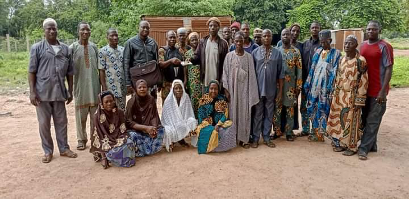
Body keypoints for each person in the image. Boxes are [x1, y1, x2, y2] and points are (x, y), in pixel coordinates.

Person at [28, 18, 77, 163]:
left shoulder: (65, 49)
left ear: (57, 29)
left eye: (54, 28)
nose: (51, 31)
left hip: (60, 92)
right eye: (48, 28)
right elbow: (31, 71)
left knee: (62, 122)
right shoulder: (37, 48)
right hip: (42, 93)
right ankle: (48, 151)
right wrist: (32, 92)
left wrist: (70, 90)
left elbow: (70, 72)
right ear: (44, 31)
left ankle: (64, 148)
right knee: (44, 123)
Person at [327, 35, 368, 156]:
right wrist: (334, 92)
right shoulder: (342, 59)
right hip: (340, 95)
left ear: (356, 45)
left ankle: (352, 146)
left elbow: (364, 81)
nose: (346, 46)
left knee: (352, 121)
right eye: (345, 43)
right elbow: (338, 76)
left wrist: (359, 100)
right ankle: (341, 143)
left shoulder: (361, 61)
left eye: (350, 43)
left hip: (353, 96)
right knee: (340, 121)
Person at [358, 21, 393, 160]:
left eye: (374, 29)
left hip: (378, 90)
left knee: (373, 120)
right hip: (364, 89)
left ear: (379, 30)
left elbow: (389, 68)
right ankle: (372, 145)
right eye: (369, 29)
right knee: (364, 119)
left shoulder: (385, 47)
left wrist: (383, 91)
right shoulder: (362, 45)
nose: (371, 31)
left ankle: (363, 149)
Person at [222, 31, 259, 149]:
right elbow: (225, 73)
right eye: (236, 41)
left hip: (244, 91)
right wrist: (226, 90)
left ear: (244, 41)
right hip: (232, 91)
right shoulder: (229, 56)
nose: (238, 43)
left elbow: (252, 75)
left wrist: (251, 93)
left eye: (241, 41)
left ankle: (244, 139)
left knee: (244, 114)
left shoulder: (248, 57)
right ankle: (233, 138)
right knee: (232, 113)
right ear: (233, 41)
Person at [304, 30, 341, 142]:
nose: (322, 44)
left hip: (326, 89)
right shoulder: (318, 51)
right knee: (312, 108)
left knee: (324, 110)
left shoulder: (336, 54)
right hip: (314, 87)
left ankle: (323, 132)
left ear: (330, 40)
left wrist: (331, 88)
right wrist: (308, 84)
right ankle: (316, 133)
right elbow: (312, 68)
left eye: (325, 42)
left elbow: (336, 72)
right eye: (321, 42)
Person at [70, 21, 101, 150]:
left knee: (95, 116)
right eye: (83, 30)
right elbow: (68, 70)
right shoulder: (72, 48)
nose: (85, 32)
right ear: (78, 31)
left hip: (94, 87)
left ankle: (95, 138)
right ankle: (81, 139)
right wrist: (70, 88)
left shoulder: (94, 47)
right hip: (80, 87)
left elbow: (100, 68)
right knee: (80, 116)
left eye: (88, 30)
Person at [251, 29, 284, 148]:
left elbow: (281, 74)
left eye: (268, 36)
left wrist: (280, 92)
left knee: (269, 113)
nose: (266, 38)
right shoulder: (255, 53)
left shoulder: (277, 53)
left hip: (271, 90)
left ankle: (266, 137)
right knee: (258, 114)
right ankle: (255, 138)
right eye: (264, 36)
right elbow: (252, 73)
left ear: (271, 38)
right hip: (258, 89)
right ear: (261, 38)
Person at [90, 91, 136, 169]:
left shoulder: (119, 113)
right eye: (106, 102)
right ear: (101, 103)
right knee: (114, 152)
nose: (109, 103)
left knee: (131, 141)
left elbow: (122, 130)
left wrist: (120, 140)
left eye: (111, 101)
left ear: (114, 101)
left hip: (118, 137)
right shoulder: (97, 117)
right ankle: (106, 157)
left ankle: (120, 157)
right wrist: (103, 157)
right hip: (105, 143)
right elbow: (98, 137)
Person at [274, 28, 302, 142]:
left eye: (287, 34)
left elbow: (299, 71)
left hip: (291, 86)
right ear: (281, 37)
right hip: (277, 86)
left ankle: (289, 132)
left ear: (291, 37)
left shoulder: (296, 52)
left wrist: (298, 87)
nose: (285, 36)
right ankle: (277, 131)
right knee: (277, 109)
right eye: (283, 34)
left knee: (290, 110)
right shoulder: (276, 51)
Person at [125, 79, 164, 156]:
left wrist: (153, 128)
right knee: (132, 135)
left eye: (144, 87)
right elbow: (129, 122)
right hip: (136, 130)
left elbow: (154, 115)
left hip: (149, 129)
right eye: (140, 87)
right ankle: (141, 150)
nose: (142, 89)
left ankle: (147, 150)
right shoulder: (131, 102)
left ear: (147, 88)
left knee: (161, 131)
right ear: (136, 89)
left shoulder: (151, 99)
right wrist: (145, 128)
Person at [196, 80, 236, 154]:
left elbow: (225, 114)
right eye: (211, 88)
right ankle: (211, 148)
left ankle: (221, 148)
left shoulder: (222, 99)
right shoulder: (203, 99)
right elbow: (200, 114)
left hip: (219, 125)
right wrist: (206, 125)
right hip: (206, 124)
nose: (213, 91)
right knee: (203, 129)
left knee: (231, 126)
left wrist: (218, 124)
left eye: (216, 89)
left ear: (218, 90)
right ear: (208, 89)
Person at [190, 17, 229, 89]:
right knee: (206, 99)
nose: (213, 28)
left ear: (218, 28)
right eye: (211, 26)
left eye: (215, 26)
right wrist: (190, 59)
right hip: (205, 77)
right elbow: (197, 56)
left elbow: (226, 63)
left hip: (217, 78)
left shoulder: (223, 44)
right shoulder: (203, 42)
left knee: (217, 99)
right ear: (208, 27)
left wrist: (223, 79)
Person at [123, 20, 159, 98]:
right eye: (143, 27)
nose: (145, 29)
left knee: (151, 103)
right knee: (138, 103)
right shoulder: (130, 43)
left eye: (147, 28)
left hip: (151, 78)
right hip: (137, 78)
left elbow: (157, 62)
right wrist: (128, 83)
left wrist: (158, 81)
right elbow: (126, 63)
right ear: (138, 28)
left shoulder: (153, 43)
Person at [162, 79, 197, 152]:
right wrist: (176, 124)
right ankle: (173, 141)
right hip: (171, 124)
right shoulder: (168, 101)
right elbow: (166, 118)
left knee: (193, 121)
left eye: (180, 88)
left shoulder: (186, 97)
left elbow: (189, 113)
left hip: (182, 122)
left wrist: (182, 123)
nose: (178, 90)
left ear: (183, 88)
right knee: (167, 130)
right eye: (176, 88)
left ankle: (182, 139)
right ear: (173, 90)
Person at [300, 22, 321, 136]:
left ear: (319, 29)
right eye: (312, 27)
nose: (314, 29)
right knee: (304, 105)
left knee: (315, 105)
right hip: (304, 80)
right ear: (310, 30)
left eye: (316, 28)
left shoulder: (322, 45)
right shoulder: (305, 44)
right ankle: (305, 129)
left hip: (316, 81)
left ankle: (315, 130)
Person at [98, 28, 126, 110]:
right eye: (112, 35)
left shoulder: (123, 50)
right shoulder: (103, 51)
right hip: (110, 86)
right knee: (110, 110)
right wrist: (104, 87)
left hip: (122, 86)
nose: (115, 37)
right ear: (107, 37)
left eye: (116, 35)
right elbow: (101, 70)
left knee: (121, 110)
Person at [158, 30, 184, 104]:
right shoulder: (162, 50)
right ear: (167, 38)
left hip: (177, 83)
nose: (172, 39)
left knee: (177, 104)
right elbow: (160, 64)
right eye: (170, 37)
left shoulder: (179, 50)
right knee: (167, 104)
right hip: (166, 83)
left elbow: (184, 62)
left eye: (174, 37)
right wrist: (171, 61)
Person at [185, 32, 202, 116]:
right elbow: (185, 68)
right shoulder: (187, 54)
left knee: (201, 100)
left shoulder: (201, 52)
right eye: (192, 40)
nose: (194, 41)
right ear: (189, 42)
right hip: (191, 81)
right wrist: (186, 80)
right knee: (193, 100)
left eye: (196, 39)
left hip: (200, 80)